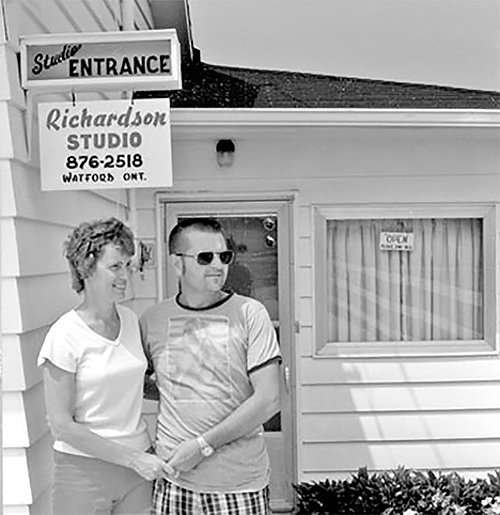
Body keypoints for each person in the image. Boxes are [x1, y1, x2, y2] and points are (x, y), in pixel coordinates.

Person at [140, 218, 282, 515]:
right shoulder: (152, 319)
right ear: (177, 265)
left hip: (238, 486)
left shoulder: (250, 314)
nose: (218, 264)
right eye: (205, 257)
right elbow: (134, 382)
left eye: (224, 256)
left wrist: (203, 445)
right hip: (173, 481)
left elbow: (269, 398)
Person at [38, 217, 171, 515]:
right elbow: (61, 426)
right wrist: (132, 459)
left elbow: (134, 382)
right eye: (115, 266)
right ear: (85, 268)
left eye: (127, 265)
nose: (125, 275)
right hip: (83, 472)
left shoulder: (131, 321)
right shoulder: (65, 334)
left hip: (138, 468)